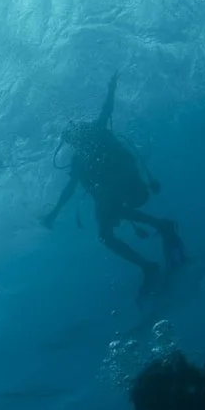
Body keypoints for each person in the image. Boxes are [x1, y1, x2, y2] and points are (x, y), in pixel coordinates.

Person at [43, 76, 185, 296]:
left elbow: (106, 109)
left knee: (109, 204)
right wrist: (53, 213)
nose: (77, 142)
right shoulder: (79, 161)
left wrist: (112, 87)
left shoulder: (96, 132)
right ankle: (147, 264)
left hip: (129, 182)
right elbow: (70, 189)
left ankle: (161, 228)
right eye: (73, 141)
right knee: (105, 235)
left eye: (75, 138)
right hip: (116, 192)